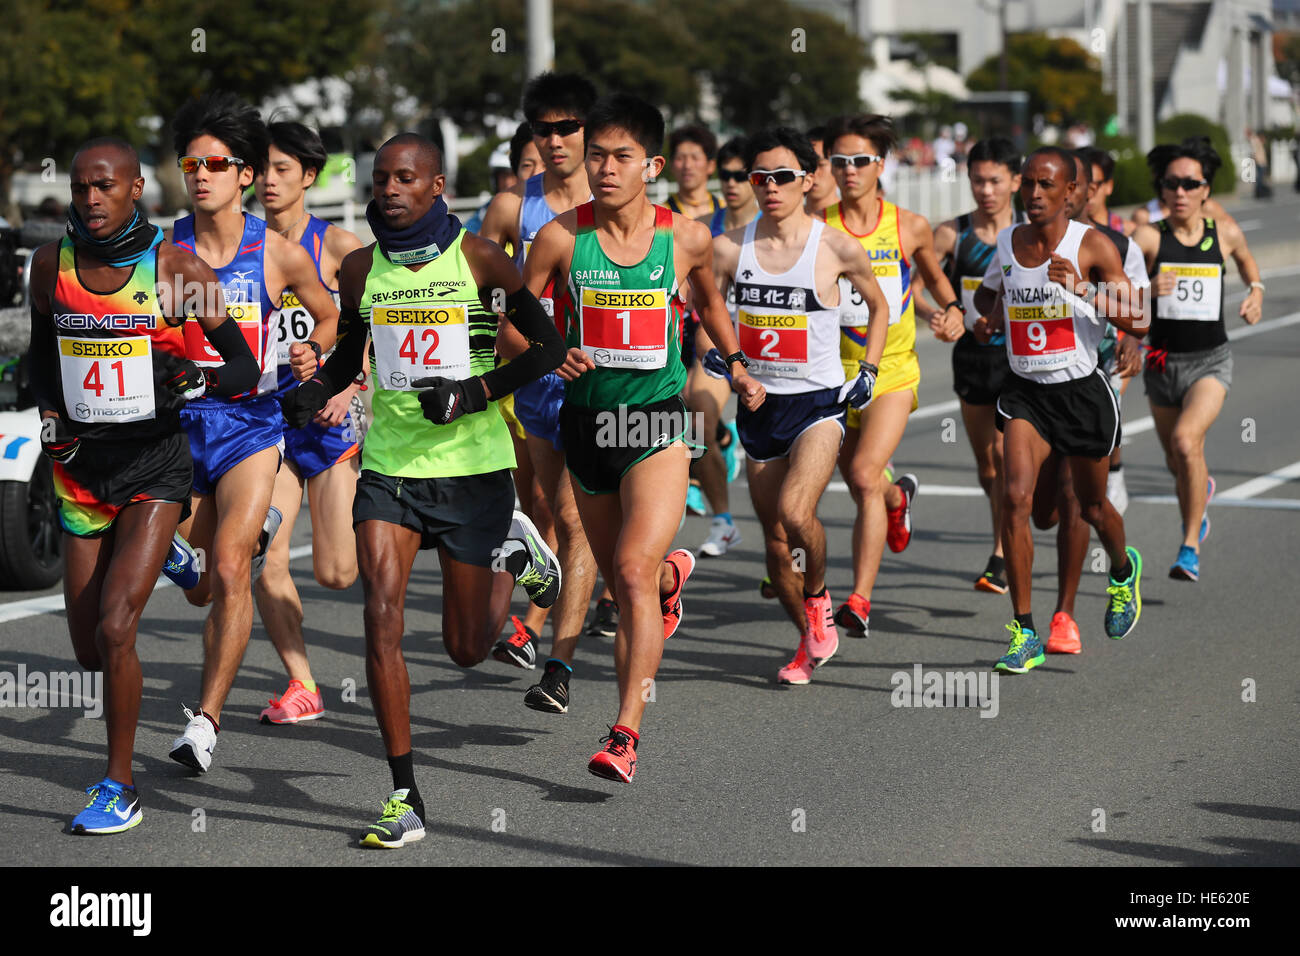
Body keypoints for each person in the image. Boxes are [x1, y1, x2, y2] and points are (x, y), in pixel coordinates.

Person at [278, 132, 566, 847]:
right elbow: (351, 349)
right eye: (381, 179)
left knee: (468, 648)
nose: (390, 190)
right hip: (391, 467)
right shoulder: (357, 269)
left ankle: (513, 546)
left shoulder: (480, 260)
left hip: (472, 470)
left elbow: (551, 350)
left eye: (406, 178)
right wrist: (315, 388)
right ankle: (404, 795)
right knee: (380, 614)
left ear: (438, 186)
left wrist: (474, 393)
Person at [524, 93, 764, 781]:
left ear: (651, 166)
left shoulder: (684, 238)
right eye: (596, 154)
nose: (604, 167)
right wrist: (549, 352)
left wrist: (739, 369)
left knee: (626, 573)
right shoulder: (561, 238)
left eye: (620, 156)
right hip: (586, 426)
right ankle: (671, 574)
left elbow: (712, 306)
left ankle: (624, 732)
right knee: (626, 571)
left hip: (656, 420)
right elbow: (514, 321)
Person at [25, 137, 258, 831]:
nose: (90, 199)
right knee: (90, 650)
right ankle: (180, 560)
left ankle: (117, 785)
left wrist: (197, 380)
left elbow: (243, 369)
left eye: (104, 186)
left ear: (134, 191)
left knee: (117, 623)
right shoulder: (49, 265)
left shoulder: (174, 268)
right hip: (80, 471)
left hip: (155, 469)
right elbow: (41, 355)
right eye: (80, 187)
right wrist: (49, 417)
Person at [165, 92, 342, 772]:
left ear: (244, 174)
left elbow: (328, 318)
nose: (201, 175)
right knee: (201, 585)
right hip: (180, 431)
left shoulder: (277, 254)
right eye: (191, 163)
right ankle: (186, 556)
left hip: (251, 428)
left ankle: (204, 725)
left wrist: (312, 355)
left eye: (217, 163)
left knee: (237, 568)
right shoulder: (165, 254)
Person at [710, 127, 888, 684]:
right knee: (775, 543)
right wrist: (728, 366)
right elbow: (702, 317)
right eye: (757, 177)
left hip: (818, 404)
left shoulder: (835, 246)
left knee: (794, 512)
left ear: (809, 180)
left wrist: (869, 371)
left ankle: (820, 599)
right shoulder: (728, 248)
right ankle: (807, 642)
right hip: (759, 408)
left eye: (782, 176)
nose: (769, 187)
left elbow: (880, 308)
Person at [972, 146, 1144, 674]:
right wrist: (991, 318)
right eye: (1028, 184)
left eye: (1047, 186)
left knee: (1091, 508)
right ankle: (1024, 632)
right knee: (1016, 500)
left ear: (1072, 192)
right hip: (1026, 393)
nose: (1035, 195)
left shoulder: (1091, 244)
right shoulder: (1007, 242)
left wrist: (1084, 288)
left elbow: (1138, 318)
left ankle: (1121, 570)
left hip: (1081, 394)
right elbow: (990, 298)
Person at [479, 73, 606, 705]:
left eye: (567, 129)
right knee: (550, 511)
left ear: (589, 131)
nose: (554, 141)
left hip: (602, 386)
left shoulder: (618, 202)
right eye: (543, 130)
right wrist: (534, 354)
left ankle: (557, 664)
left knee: (575, 518)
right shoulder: (511, 207)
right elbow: (485, 297)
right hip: (533, 380)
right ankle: (659, 578)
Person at [821, 114, 965, 637]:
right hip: (830, 375)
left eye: (861, 160)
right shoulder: (820, 224)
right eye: (840, 161)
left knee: (862, 475)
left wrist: (951, 311)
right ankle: (897, 499)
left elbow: (933, 277)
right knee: (866, 482)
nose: (850, 170)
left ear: (880, 165)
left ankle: (858, 599)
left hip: (891, 371)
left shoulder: (908, 225)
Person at [252, 120, 366, 724]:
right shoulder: (242, 247)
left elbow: (370, 325)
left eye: (282, 170)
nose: (268, 181)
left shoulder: (340, 247)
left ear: (309, 177)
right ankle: (303, 685)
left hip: (324, 417)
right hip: (264, 420)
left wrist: (347, 380)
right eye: (262, 169)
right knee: (260, 555)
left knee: (337, 572)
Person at [1131, 137, 1262, 582]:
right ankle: (1198, 491)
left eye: (1191, 184)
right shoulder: (1147, 237)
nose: (1181, 192)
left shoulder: (1223, 233)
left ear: (1206, 189)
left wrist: (1256, 293)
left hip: (1210, 360)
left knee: (1187, 442)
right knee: (1177, 459)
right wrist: (1148, 289)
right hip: (1162, 362)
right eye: (1172, 184)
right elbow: (1116, 294)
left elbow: (1247, 263)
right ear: (1162, 189)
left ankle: (1188, 547)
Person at [929, 137, 1024, 594]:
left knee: (1007, 459)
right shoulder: (953, 233)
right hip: (972, 359)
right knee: (988, 468)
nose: (986, 190)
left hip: (1022, 361)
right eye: (978, 181)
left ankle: (1001, 556)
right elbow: (910, 279)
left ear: (1016, 181)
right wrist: (942, 313)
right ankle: (1011, 523)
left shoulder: (1030, 231)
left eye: (995, 181)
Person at [687, 135, 758, 558]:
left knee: (776, 458)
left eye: (740, 176)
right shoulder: (702, 229)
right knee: (697, 416)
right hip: (716, 345)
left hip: (774, 356)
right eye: (726, 175)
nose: (731, 183)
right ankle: (724, 520)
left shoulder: (775, 229)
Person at [1078, 145, 1136, 511]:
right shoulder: (1045, 234)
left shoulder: (1122, 235)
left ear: (1106, 187)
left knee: (1105, 405)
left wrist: (1131, 339)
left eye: (1094, 184)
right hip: (1066, 346)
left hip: (1113, 341)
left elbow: (1137, 303)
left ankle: (1113, 471)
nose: (1088, 193)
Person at [665, 124, 722, 221]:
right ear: (671, 165)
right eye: (680, 158)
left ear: (711, 165)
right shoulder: (661, 215)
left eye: (695, 158)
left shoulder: (724, 211)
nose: (687, 165)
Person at [804, 125, 840, 216]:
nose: (813, 173)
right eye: (808, 165)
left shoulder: (853, 222)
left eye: (821, 164)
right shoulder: (785, 221)